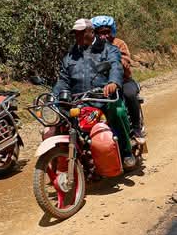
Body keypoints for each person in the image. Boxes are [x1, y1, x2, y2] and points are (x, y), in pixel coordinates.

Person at [53, 18, 136, 169]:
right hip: (78, 100)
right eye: (75, 34)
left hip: (102, 97)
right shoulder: (70, 56)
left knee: (118, 111)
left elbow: (115, 67)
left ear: (91, 32)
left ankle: (126, 152)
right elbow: (63, 79)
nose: (77, 37)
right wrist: (55, 96)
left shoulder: (109, 49)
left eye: (81, 33)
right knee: (58, 122)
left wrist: (113, 82)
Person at [91, 15, 145, 140]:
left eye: (107, 32)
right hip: (99, 83)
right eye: (100, 33)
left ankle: (136, 129)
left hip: (123, 80)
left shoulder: (119, 44)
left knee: (130, 95)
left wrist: (116, 61)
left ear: (112, 31)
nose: (104, 36)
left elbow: (125, 62)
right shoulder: (91, 47)